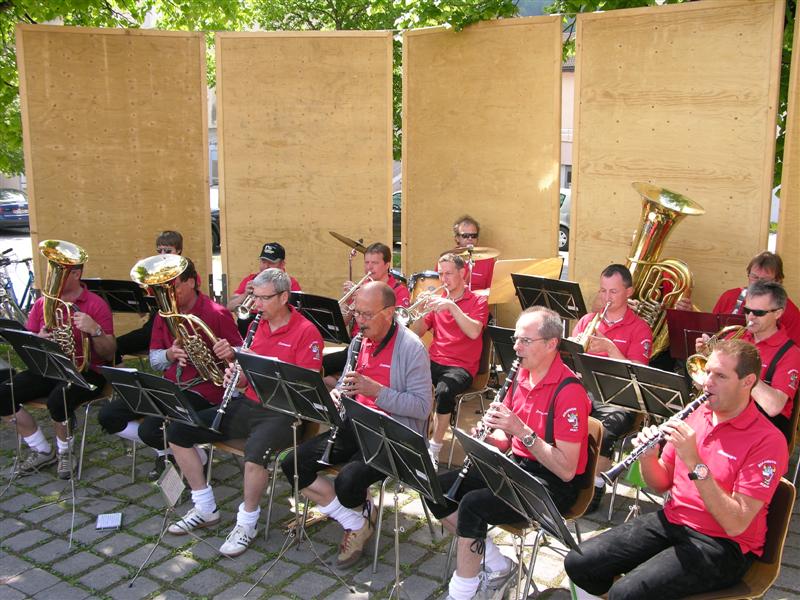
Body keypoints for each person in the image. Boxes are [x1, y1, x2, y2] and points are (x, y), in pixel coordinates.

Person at [565, 339, 789, 600]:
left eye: (720, 376)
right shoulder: (695, 414)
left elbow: (736, 524)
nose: (707, 382)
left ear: (747, 382)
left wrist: (694, 461)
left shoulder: (767, 440)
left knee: (626, 594)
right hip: (674, 520)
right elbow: (660, 483)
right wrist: (648, 457)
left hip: (724, 544)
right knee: (579, 562)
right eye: (707, 371)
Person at [426, 307, 591, 600]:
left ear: (551, 344)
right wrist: (490, 437)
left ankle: (462, 592)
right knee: (435, 489)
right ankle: (499, 565)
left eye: (525, 341)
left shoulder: (569, 392)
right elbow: (506, 441)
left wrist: (521, 430)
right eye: (516, 339)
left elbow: (566, 470)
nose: (515, 347)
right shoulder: (521, 376)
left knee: (473, 505)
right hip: (518, 466)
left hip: (553, 484)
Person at [165, 268, 323, 556]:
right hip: (249, 404)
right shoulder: (256, 325)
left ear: (284, 297)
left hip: (283, 413)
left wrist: (259, 370)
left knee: (254, 453)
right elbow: (247, 374)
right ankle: (204, 506)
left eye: (263, 298)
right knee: (178, 430)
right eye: (255, 297)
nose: (256, 305)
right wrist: (238, 378)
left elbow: (304, 390)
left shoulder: (306, 332)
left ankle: (247, 523)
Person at [280, 281, 431, 569]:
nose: (359, 321)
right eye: (357, 313)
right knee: (293, 464)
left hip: (392, 433)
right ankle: (357, 520)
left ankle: (358, 514)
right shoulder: (359, 341)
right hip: (354, 423)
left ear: (389, 312)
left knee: (348, 482)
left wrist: (377, 392)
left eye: (367, 315)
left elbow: (423, 408)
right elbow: (347, 380)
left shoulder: (412, 349)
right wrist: (338, 393)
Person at [98, 258, 242, 479]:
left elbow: (240, 353)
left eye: (173, 287)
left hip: (206, 389)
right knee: (109, 415)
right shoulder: (164, 315)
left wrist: (229, 352)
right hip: (170, 384)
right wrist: (170, 354)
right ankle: (178, 454)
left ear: (191, 282)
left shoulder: (216, 312)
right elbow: (155, 361)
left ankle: (189, 458)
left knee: (151, 430)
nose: (167, 295)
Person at [0, 254, 116, 479]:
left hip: (87, 371)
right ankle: (42, 450)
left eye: (59, 272)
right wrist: (39, 339)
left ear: (76, 274)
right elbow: (29, 340)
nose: (52, 277)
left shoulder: (95, 304)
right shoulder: (43, 303)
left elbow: (109, 353)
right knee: (3, 394)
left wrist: (95, 330)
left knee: (58, 399)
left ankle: (65, 452)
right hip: (51, 367)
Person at [571, 263, 652, 511]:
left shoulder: (640, 328)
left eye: (613, 292)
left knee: (602, 431)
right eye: (603, 291)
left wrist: (611, 348)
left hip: (619, 398)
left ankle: (594, 487)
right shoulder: (587, 321)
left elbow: (638, 374)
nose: (606, 297)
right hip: (584, 390)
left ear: (629, 292)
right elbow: (570, 360)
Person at [696, 280, 800, 443]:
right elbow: (701, 386)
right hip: (722, 422)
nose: (750, 317)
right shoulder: (734, 337)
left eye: (759, 312)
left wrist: (741, 370)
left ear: (778, 313)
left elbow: (774, 407)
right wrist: (708, 363)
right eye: (747, 310)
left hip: (759, 435)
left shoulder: (791, 353)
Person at [410, 252, 489, 466]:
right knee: (405, 377)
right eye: (440, 274)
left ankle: (434, 449)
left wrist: (452, 307)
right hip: (435, 359)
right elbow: (416, 332)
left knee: (444, 392)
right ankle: (412, 437)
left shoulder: (478, 300)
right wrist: (419, 311)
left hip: (461, 366)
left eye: (448, 274)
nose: (443, 279)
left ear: (463, 273)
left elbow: (474, 332)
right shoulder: (438, 300)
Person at [323, 242, 410, 385]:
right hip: (356, 344)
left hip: (381, 347)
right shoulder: (361, 287)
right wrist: (349, 303)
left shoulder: (399, 290)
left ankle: (345, 387)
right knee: (319, 365)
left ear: (387, 265)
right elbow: (342, 323)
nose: (369, 267)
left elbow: (398, 323)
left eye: (374, 263)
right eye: (367, 262)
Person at [678, 251, 800, 346]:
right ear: (748, 275)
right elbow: (712, 332)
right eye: (754, 277)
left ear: (778, 281)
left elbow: (793, 351)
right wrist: (691, 314)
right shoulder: (729, 296)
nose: (758, 283)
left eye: (765, 280)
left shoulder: (790, 312)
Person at [114, 230, 183, 363]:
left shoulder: (186, 273)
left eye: (168, 251)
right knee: (116, 345)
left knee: (117, 345)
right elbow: (144, 311)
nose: (162, 255)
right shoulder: (156, 274)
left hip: (173, 326)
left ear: (179, 250)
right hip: (155, 323)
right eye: (159, 251)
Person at [227, 242, 301, 337]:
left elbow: (294, 313)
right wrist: (245, 294)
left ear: (282, 264)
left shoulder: (290, 283)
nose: (266, 267)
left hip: (276, 327)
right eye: (263, 262)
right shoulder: (251, 279)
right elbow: (229, 306)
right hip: (249, 325)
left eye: (271, 263)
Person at [451, 215, 495, 291]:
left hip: (479, 298)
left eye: (474, 235)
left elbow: (492, 290)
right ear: (457, 238)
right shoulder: (446, 259)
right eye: (465, 235)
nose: (470, 238)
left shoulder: (488, 260)